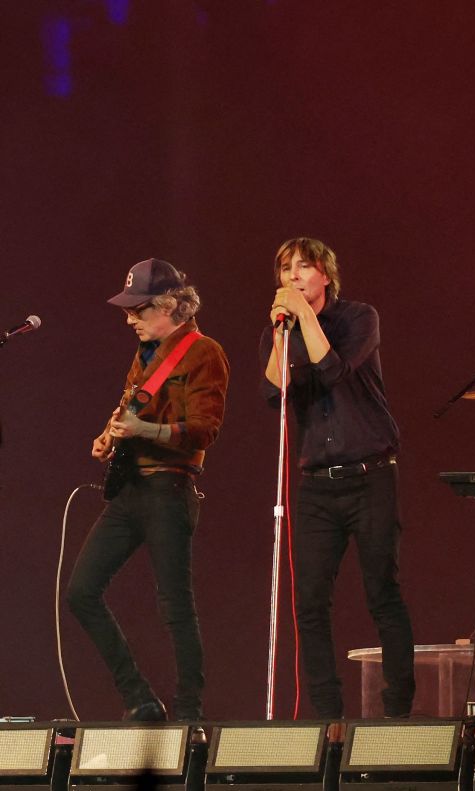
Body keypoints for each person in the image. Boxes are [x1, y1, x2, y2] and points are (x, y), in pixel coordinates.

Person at [259, 237, 414, 718]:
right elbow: (273, 393)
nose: (294, 276)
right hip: (317, 485)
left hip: (369, 475)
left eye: (304, 267)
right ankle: (327, 715)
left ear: (325, 274)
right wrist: (282, 334)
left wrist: (304, 317)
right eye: (286, 269)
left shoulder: (359, 318)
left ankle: (397, 708)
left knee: (381, 590)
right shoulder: (280, 332)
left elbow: (332, 369)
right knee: (309, 601)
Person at [69, 258, 229, 721]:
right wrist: (109, 434)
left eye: (138, 310)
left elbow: (204, 430)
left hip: (169, 490)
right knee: (81, 591)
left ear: (170, 306)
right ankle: (139, 699)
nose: (129, 319)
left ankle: (188, 714)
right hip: (130, 489)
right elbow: (127, 409)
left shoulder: (204, 353)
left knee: (174, 606)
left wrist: (144, 430)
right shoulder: (144, 353)